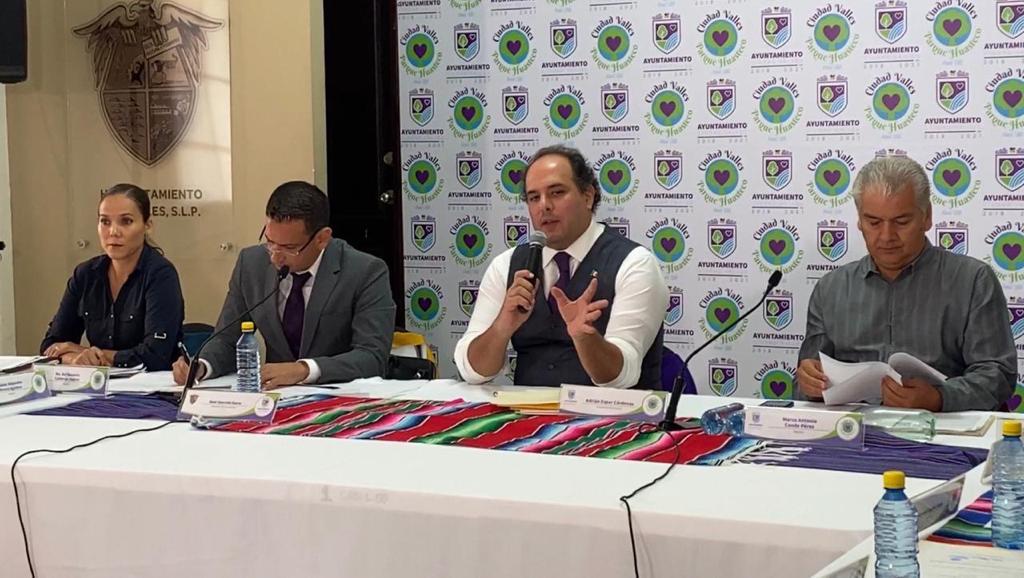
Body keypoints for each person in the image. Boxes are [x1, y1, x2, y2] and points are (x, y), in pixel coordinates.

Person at [797, 156, 1016, 411]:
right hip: (853, 429)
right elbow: (806, 379)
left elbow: (998, 374)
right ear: (859, 220)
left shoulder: (973, 280)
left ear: (927, 217)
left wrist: (940, 398)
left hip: (942, 428)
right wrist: (809, 383)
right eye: (873, 222)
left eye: (901, 222)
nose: (886, 236)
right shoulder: (830, 289)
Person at [453, 145, 669, 388]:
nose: (544, 206)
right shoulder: (506, 265)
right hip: (527, 410)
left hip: (613, 411)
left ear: (588, 196)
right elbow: (473, 373)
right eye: (534, 198)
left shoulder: (634, 263)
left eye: (556, 193)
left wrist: (584, 338)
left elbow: (622, 378)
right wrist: (502, 326)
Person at [172, 181, 395, 388]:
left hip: (341, 396)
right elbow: (227, 338)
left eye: (289, 248)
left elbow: (372, 356)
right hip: (274, 397)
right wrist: (201, 366)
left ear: (322, 239)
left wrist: (304, 369)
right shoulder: (251, 264)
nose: (275, 257)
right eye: (270, 242)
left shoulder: (365, 271)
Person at [41, 184, 184, 370]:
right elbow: (51, 345)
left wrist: (87, 352)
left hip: (150, 384)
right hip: (97, 382)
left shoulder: (161, 274)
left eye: (126, 221)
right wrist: (74, 358)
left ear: (147, 225)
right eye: (105, 222)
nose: (113, 232)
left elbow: (155, 356)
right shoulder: (85, 274)